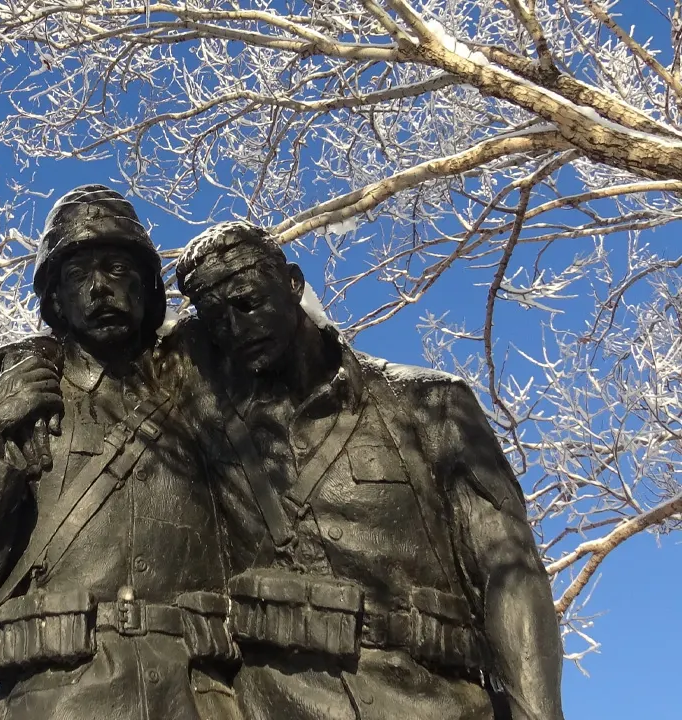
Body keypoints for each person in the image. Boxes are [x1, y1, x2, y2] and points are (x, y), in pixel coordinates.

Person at [171, 221, 565, 720]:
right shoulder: (211, 432)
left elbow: (510, 573)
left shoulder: (430, 404)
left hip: (440, 701)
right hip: (282, 704)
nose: (237, 328)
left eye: (247, 302)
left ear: (293, 283)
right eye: (215, 319)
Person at [0, 186, 241, 720]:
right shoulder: (10, 408)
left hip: (203, 700)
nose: (99, 288)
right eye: (76, 275)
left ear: (147, 284)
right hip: (55, 700)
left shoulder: (209, 394)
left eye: (117, 268)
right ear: (55, 299)